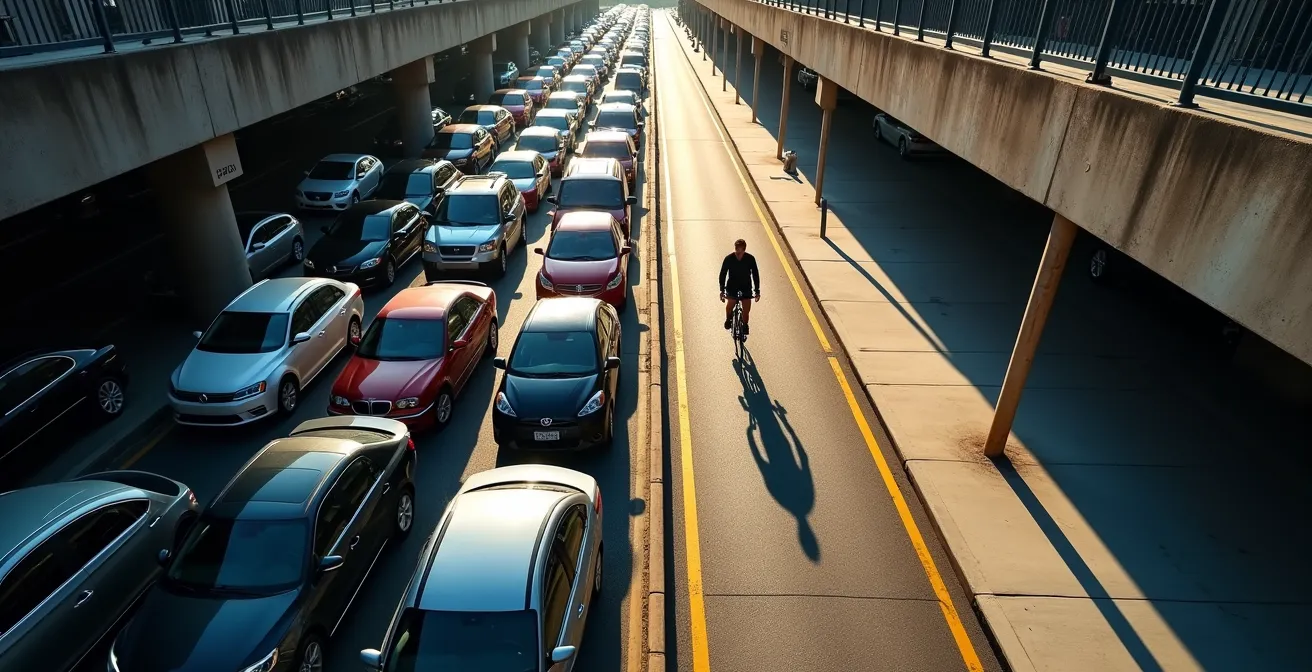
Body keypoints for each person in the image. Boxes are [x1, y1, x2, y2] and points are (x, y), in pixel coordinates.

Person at [719, 239, 761, 336]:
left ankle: (745, 325)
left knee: (746, 310)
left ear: (744, 250)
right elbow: (723, 274)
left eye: (740, 250)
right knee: (730, 305)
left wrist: (757, 291)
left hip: (746, 287)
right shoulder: (728, 259)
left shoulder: (750, 259)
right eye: (736, 249)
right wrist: (722, 289)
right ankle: (728, 319)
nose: (738, 252)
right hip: (732, 286)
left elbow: (755, 275)